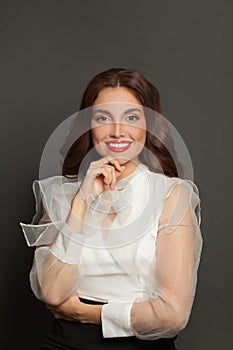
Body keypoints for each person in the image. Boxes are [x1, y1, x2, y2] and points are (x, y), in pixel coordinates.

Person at [20, 68, 203, 350]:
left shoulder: (171, 195)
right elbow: (53, 293)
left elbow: (173, 315)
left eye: (131, 117)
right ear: (88, 126)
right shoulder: (60, 193)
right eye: (103, 118)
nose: (118, 131)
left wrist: (90, 314)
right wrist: (81, 201)